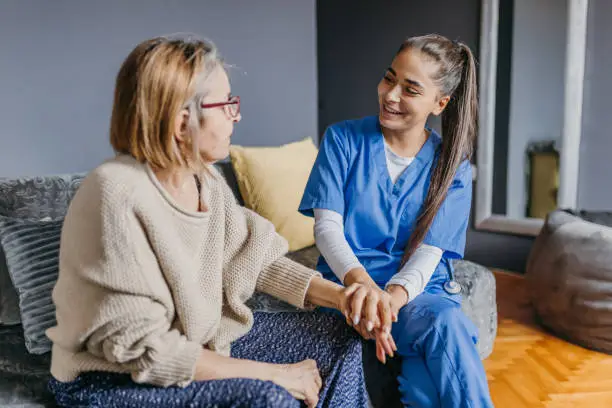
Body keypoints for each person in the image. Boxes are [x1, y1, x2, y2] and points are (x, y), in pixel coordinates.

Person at [45, 35, 395, 408]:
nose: (237, 114)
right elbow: (148, 353)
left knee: (339, 336)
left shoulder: (205, 180)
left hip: (197, 344)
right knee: (268, 397)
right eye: (227, 104)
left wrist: (344, 299)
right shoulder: (115, 193)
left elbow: (254, 259)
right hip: (107, 380)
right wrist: (279, 374)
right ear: (182, 123)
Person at [299, 34, 494, 407]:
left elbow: (430, 251)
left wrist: (390, 300)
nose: (390, 95)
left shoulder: (452, 167)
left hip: (416, 294)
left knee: (428, 382)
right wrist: (364, 289)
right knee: (444, 331)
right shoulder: (342, 139)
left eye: (410, 89)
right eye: (389, 78)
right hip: (349, 287)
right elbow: (326, 229)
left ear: (439, 103)